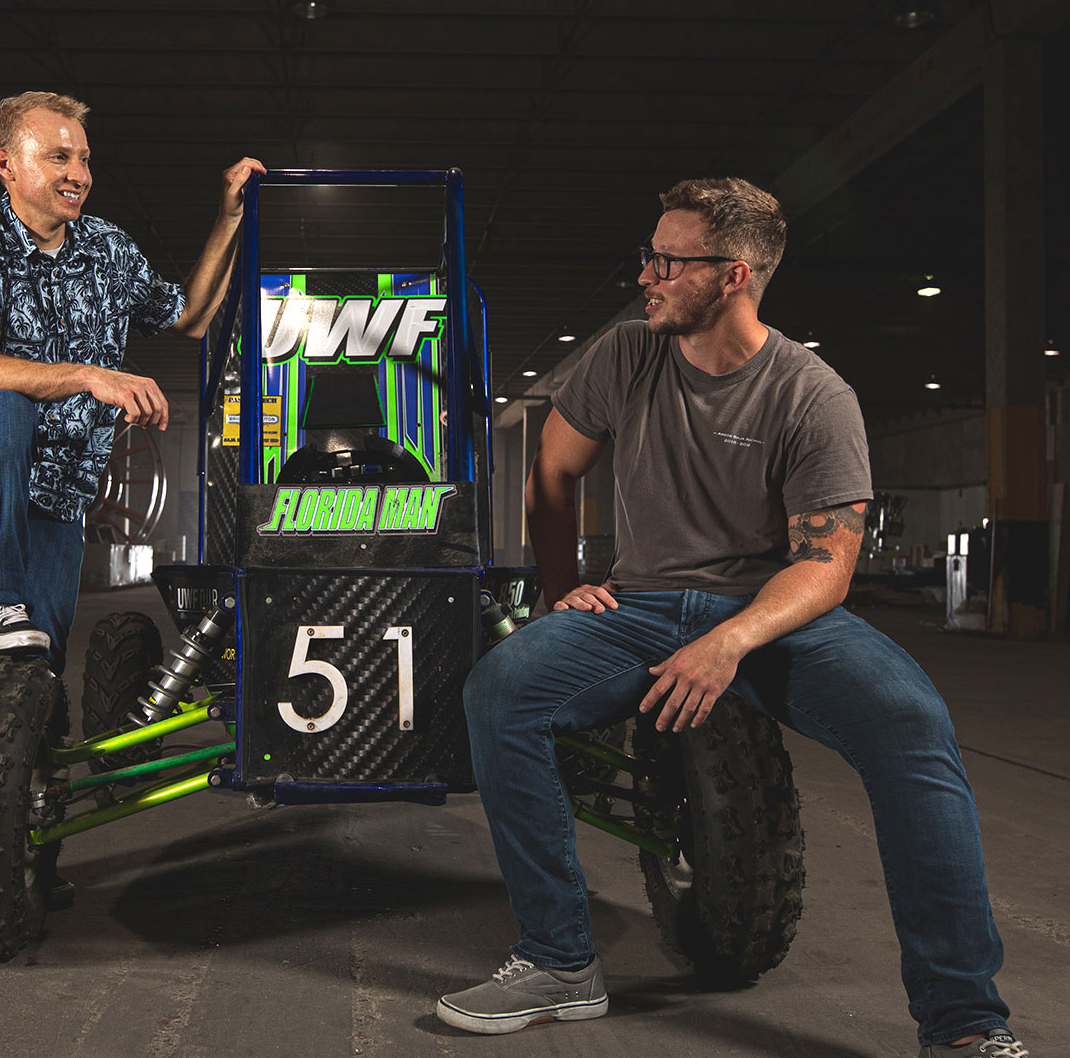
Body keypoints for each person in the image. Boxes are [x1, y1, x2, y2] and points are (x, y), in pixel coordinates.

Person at [438, 177, 1028, 1058]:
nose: (647, 276)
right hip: (635, 610)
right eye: (649, 255)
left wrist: (729, 642)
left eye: (669, 262)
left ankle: (965, 1023)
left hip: (771, 615)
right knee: (501, 691)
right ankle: (560, 959)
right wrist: (563, 588)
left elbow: (825, 567)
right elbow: (552, 476)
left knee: (912, 723)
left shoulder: (811, 393)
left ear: (734, 276)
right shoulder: (627, 354)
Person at [0, 91, 262, 671]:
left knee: (37, 657)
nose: (79, 175)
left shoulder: (108, 250)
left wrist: (228, 219)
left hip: (61, 485)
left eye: (85, 159)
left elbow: (193, 318)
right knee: (5, 407)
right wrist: (91, 377)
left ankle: (32, 748)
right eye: (58, 158)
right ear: (6, 165)